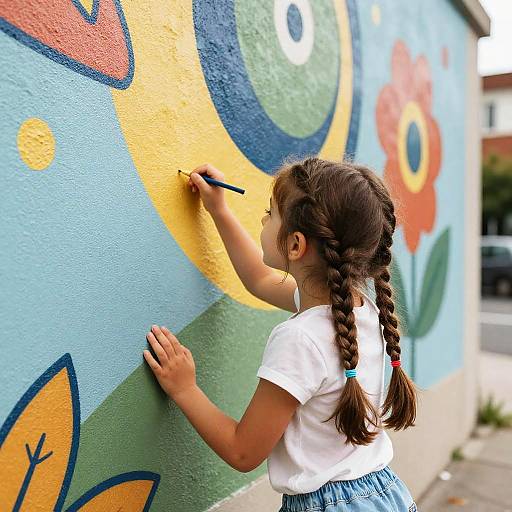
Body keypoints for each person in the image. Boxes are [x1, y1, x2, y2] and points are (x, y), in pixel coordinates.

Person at [143, 156, 419, 511]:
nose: (263, 218)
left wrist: (185, 388)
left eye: (270, 213)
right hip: (385, 494)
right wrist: (219, 211)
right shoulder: (359, 309)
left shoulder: (300, 340)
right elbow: (258, 280)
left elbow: (243, 451)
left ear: (295, 246)